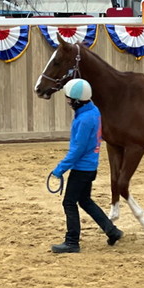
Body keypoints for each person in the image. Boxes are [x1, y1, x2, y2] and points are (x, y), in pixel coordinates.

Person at [49, 78, 123, 254]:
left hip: (81, 169)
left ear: (76, 100)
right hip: (90, 166)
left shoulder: (84, 119)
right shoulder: (93, 111)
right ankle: (112, 231)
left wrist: (60, 169)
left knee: (69, 202)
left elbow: (78, 149)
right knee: (85, 200)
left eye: (69, 98)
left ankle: (72, 241)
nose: (67, 101)